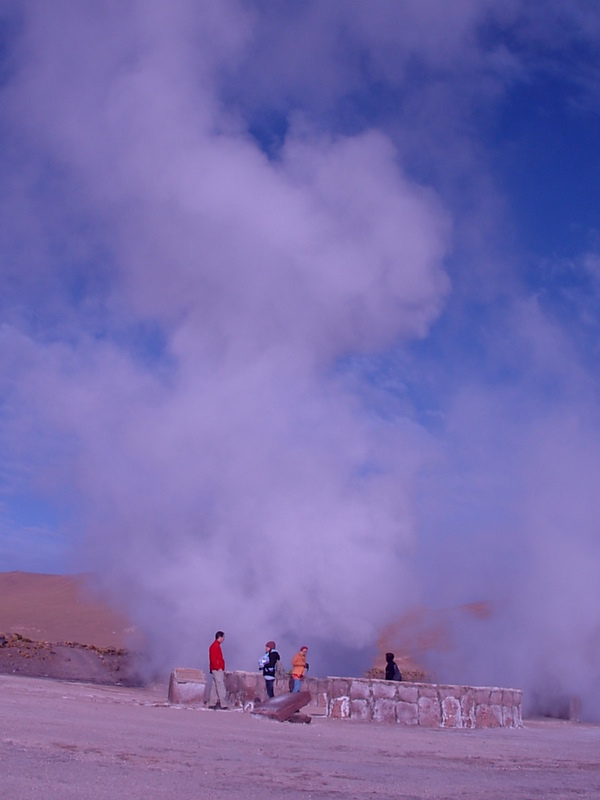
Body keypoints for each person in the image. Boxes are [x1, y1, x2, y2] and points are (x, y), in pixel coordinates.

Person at [208, 631, 230, 709]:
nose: (224, 639)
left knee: (214, 687)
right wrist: (218, 667)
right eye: (223, 637)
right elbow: (213, 659)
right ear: (220, 637)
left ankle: (212, 703)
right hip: (217, 670)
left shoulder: (215, 646)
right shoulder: (215, 646)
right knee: (220, 686)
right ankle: (223, 704)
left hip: (215, 669)